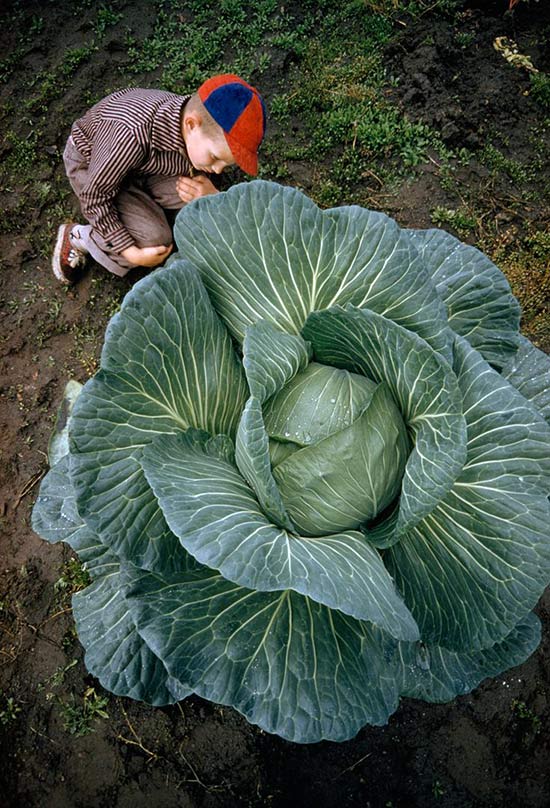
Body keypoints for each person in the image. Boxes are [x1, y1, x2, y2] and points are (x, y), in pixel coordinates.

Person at [52, 74, 266, 284]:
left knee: (198, 196)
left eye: (226, 164)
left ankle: (145, 206)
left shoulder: (188, 122)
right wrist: (130, 251)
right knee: (154, 240)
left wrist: (211, 195)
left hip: (142, 166)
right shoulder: (131, 134)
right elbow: (94, 196)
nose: (218, 170)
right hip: (92, 167)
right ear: (191, 124)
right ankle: (80, 237)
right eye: (215, 158)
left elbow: (205, 172)